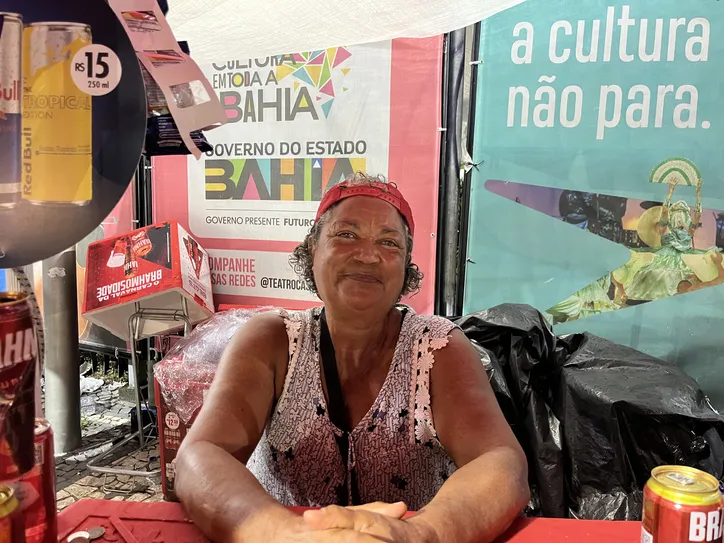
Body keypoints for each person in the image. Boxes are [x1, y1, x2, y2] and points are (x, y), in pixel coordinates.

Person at [175, 173, 529, 542]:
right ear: (313, 250)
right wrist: (279, 533)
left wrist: (423, 533)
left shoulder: (437, 348)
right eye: (346, 235)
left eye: (389, 243)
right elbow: (201, 455)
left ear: (405, 267)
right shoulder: (273, 340)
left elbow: (501, 463)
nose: (368, 254)